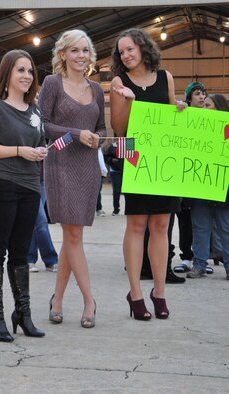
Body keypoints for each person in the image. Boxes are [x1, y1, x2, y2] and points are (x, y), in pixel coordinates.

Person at [110, 28, 183, 320]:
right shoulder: (118, 82)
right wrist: (128, 99)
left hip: (164, 161)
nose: (125, 55)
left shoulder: (166, 78)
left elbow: (170, 118)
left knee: (162, 225)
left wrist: (179, 109)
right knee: (137, 224)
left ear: (143, 47)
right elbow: (118, 129)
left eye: (130, 49)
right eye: (121, 51)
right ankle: (136, 292)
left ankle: (160, 292)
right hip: (136, 158)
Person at [0, 49, 47, 342]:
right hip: (2, 185)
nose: (27, 76)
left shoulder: (35, 111)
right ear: (7, 74)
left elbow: (40, 142)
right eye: (21, 70)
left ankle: (23, 313)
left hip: (30, 186)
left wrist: (40, 152)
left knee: (20, 253)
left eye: (30, 71)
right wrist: (19, 151)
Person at [38, 29, 107, 328]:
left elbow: (103, 128)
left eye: (85, 51)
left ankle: (57, 299)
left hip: (87, 165)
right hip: (61, 164)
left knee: (72, 236)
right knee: (74, 235)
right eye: (75, 51)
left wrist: (98, 140)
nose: (81, 56)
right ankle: (90, 301)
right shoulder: (53, 83)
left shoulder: (97, 89)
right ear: (63, 54)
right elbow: (40, 123)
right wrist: (78, 134)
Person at [187, 94, 229, 280]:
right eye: (203, 106)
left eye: (208, 106)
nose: (204, 109)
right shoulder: (195, 129)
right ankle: (199, 265)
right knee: (200, 228)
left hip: (222, 190)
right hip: (199, 188)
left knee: (225, 228)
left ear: (219, 109)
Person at [173, 82, 213, 275]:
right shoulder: (182, 116)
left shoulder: (214, 120)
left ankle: (203, 259)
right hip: (186, 179)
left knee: (206, 222)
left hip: (205, 179)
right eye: (197, 93)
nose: (202, 97)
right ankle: (187, 257)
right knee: (186, 219)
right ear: (189, 98)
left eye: (204, 93)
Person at [27, 161, 59, 273]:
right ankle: (51, 259)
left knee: (34, 222)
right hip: (26, 179)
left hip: (42, 180)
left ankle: (29, 259)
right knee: (41, 222)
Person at [103, 140, 123, 216]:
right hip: (115, 171)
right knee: (116, 191)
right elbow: (106, 157)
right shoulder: (112, 147)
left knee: (128, 192)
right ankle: (116, 209)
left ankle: (129, 209)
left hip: (126, 172)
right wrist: (111, 160)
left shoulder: (128, 145)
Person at [96, 147, 107, 217]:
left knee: (97, 192)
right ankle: (99, 209)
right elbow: (101, 163)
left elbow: (101, 163)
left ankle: (99, 208)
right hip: (97, 173)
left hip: (97, 173)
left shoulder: (98, 151)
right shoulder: (97, 151)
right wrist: (104, 172)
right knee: (97, 192)